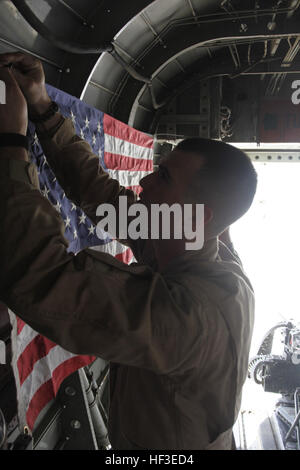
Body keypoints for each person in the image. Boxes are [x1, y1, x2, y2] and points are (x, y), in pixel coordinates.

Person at [0, 52, 257, 450]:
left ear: (198, 216)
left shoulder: (190, 320)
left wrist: (11, 142)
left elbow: (46, 280)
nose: (145, 183)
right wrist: (42, 107)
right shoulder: (193, 238)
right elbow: (105, 199)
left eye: (165, 177)